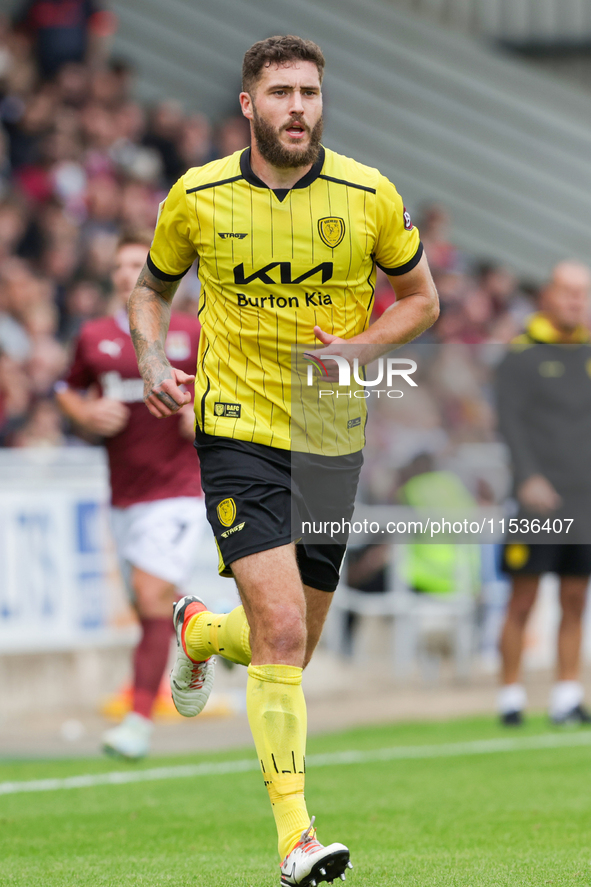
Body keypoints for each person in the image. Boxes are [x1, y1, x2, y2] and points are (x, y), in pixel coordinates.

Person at [127, 36, 439, 886]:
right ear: (248, 106)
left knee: (286, 648)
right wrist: (153, 359)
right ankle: (297, 838)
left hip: (330, 434)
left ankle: (197, 631)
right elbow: (150, 288)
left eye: (308, 92)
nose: (297, 107)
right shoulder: (195, 196)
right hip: (234, 426)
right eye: (280, 93)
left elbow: (421, 300)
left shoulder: (369, 194)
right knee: (285, 632)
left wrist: (364, 346)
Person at [55, 230, 204, 759]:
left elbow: (227, 391)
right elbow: (66, 388)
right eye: (119, 266)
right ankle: (202, 638)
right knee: (150, 609)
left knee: (149, 596)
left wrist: (199, 413)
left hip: (179, 491)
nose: (126, 273)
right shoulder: (95, 337)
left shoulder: (192, 330)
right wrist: (85, 414)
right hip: (123, 495)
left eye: (136, 264)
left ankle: (139, 721)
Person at [496, 260, 591, 727]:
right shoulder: (521, 354)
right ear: (549, 296)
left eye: (583, 293)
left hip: (584, 501)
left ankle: (567, 696)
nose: (577, 301)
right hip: (537, 501)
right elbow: (509, 423)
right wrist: (528, 476)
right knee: (523, 600)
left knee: (575, 599)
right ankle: (511, 696)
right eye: (569, 292)